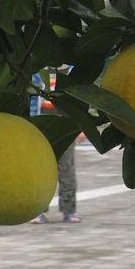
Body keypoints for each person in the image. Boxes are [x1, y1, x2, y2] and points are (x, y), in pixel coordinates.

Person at [30, 71, 79, 224]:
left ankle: (69, 210)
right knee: (40, 172)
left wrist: (79, 127)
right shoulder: (37, 73)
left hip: (64, 130)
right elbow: (31, 101)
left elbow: (78, 103)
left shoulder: (72, 73)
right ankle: (38, 210)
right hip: (41, 129)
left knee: (67, 170)